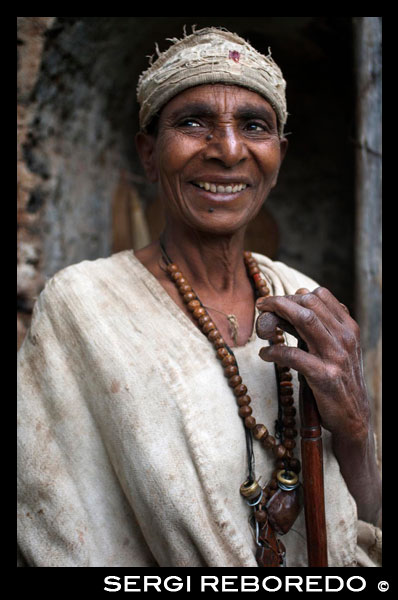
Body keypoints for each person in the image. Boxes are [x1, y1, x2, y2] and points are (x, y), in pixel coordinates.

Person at [17, 26, 381, 568]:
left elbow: (368, 513)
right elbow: (56, 519)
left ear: (277, 157)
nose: (229, 151)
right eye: (193, 123)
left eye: (254, 127)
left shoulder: (301, 298)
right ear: (148, 152)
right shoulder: (85, 306)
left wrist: (354, 429)